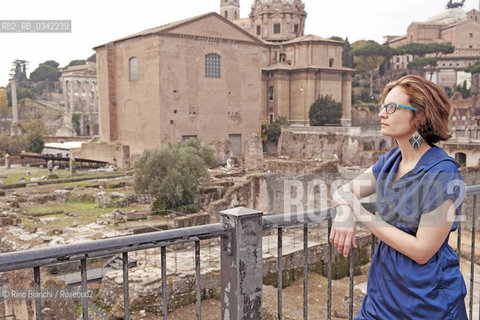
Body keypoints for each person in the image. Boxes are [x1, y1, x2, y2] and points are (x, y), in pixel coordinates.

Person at [330, 75, 467, 319]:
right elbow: (344, 191)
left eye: (391, 108)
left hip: (427, 302)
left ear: (420, 116)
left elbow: (422, 250)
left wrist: (360, 212)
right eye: (383, 107)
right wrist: (343, 213)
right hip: (382, 295)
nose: (382, 114)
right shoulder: (391, 161)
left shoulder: (442, 172)